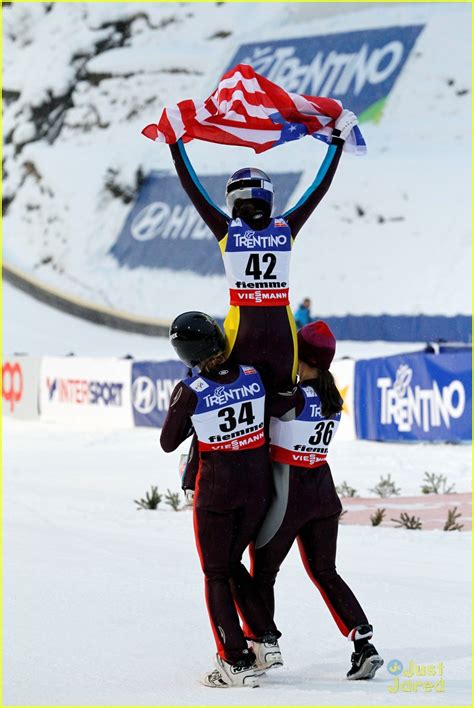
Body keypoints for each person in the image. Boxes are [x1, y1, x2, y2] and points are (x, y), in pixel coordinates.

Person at [168, 109, 358, 394]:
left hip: (244, 330)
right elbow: (319, 188)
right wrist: (337, 142)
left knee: (243, 412)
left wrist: (175, 143)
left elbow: (193, 189)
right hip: (283, 333)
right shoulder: (285, 229)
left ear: (232, 201)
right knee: (283, 411)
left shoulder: (228, 232)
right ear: (268, 198)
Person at [246, 320, 384, 681]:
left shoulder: (291, 397)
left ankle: (261, 643)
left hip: (288, 495)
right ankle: (364, 643)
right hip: (323, 490)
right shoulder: (331, 396)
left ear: (300, 357)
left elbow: (257, 397)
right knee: (325, 571)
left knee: (262, 573)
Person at [160, 311, 283, 688]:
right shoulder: (252, 374)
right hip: (258, 487)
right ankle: (264, 639)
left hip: (218, 491)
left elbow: (168, 442)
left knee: (215, 572)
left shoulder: (191, 389)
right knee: (230, 563)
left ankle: (235, 660)